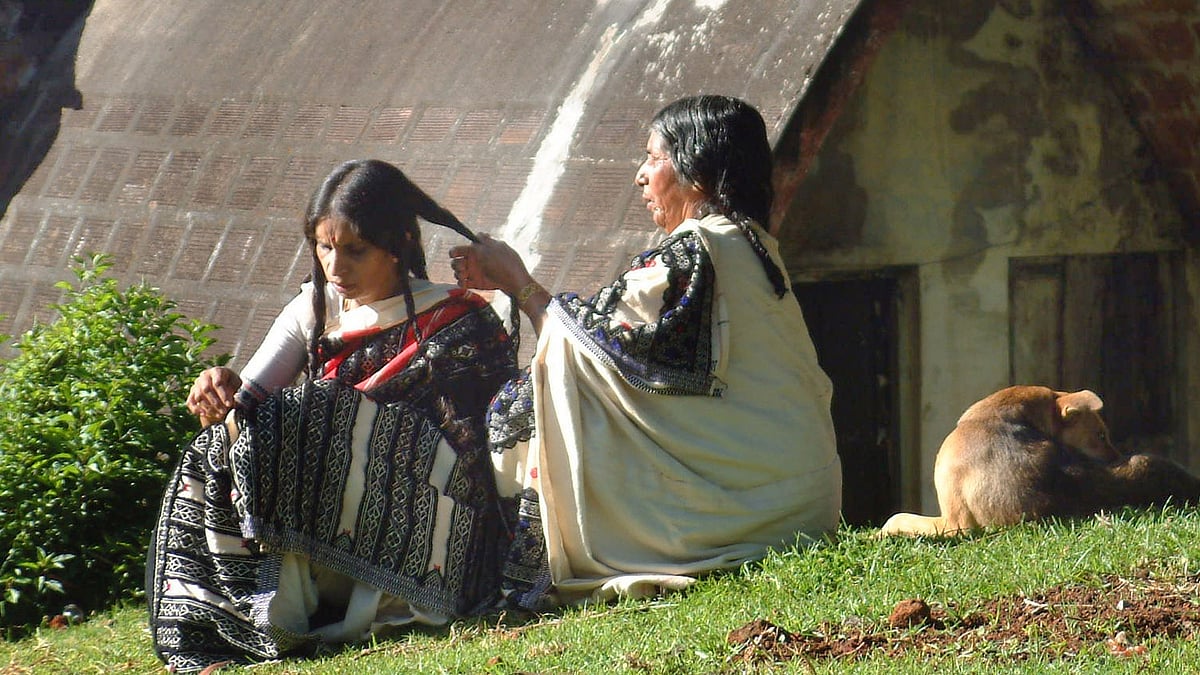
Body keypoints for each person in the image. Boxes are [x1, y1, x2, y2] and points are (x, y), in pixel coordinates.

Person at [449, 95, 842, 609]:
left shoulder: (692, 251)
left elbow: (588, 348)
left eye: (653, 159)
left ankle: (516, 577)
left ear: (696, 175)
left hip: (742, 521)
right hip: (803, 507)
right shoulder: (755, 247)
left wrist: (517, 281)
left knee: (521, 406)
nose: (640, 175)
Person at [148, 159, 520, 673]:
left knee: (316, 406)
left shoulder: (460, 320)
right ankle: (219, 634)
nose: (335, 267)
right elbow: (245, 416)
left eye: (354, 250)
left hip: (432, 522)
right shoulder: (314, 310)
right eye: (324, 247)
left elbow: (494, 443)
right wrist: (220, 387)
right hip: (332, 516)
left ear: (397, 246)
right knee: (210, 449)